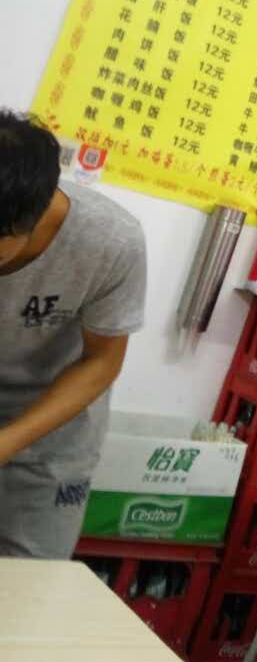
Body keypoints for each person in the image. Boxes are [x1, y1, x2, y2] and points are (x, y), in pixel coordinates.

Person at [0, 110, 146, 558]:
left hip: (49, 442)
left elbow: (102, 361)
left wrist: (7, 442)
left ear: (34, 216)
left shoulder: (110, 242)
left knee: (28, 586)